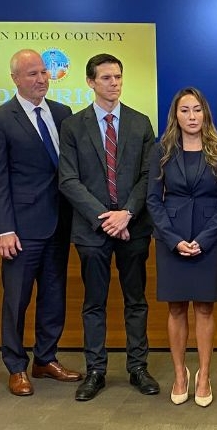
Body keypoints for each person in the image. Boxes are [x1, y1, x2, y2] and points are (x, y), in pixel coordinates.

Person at [57, 53, 159, 401]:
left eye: (118, 77)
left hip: (134, 227)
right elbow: (68, 180)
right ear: (90, 82)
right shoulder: (72, 126)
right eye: (105, 78)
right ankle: (95, 371)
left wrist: (127, 213)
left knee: (136, 301)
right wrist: (107, 218)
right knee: (94, 303)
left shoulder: (140, 122)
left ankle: (138, 368)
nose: (113, 83)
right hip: (93, 230)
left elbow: (149, 176)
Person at [0, 49, 82, 397]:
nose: (40, 79)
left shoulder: (62, 113)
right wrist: (4, 228)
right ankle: (15, 366)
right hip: (21, 229)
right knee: (17, 299)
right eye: (32, 74)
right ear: (15, 79)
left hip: (60, 224)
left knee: (54, 296)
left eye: (43, 72)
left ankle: (45, 358)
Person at [145, 87, 217, 407]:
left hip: (207, 239)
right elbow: (153, 200)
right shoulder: (162, 150)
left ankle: (204, 375)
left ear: (205, 113)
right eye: (185, 110)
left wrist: (205, 238)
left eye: (197, 109)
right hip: (171, 239)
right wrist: (173, 239)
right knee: (176, 308)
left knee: (205, 308)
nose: (192, 116)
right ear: (176, 115)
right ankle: (180, 373)